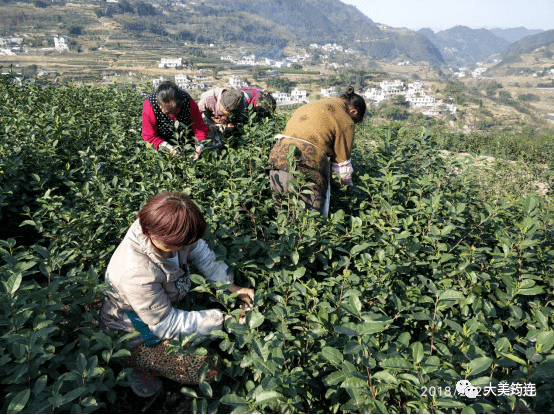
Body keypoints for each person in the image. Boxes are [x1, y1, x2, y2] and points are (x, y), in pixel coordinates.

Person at [100, 192, 255, 397]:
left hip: (159, 307)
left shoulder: (170, 228)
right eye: (178, 245)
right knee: (207, 369)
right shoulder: (134, 271)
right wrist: (224, 320)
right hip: (133, 329)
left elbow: (201, 253)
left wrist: (231, 287)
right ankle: (135, 365)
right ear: (149, 233)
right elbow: (166, 324)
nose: (183, 248)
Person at [267, 86, 366, 216]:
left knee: (284, 219)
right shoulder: (345, 120)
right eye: (356, 120)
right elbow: (342, 168)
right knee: (309, 225)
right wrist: (346, 190)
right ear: (353, 111)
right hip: (306, 169)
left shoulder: (310, 105)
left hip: (276, 162)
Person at [142, 81, 209, 160]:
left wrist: (199, 146)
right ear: (160, 105)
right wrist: (167, 147)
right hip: (161, 142)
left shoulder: (187, 101)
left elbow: (199, 127)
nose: (172, 115)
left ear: (180, 105)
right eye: (168, 112)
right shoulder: (150, 105)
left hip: (186, 141)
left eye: (174, 111)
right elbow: (149, 135)